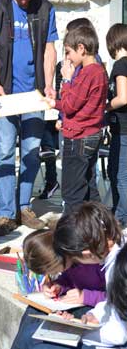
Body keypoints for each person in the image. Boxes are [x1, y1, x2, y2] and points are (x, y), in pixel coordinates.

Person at [0, 0, 58, 235]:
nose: (23, 1)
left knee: (31, 152)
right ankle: (5, 214)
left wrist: (49, 85)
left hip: (34, 95)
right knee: (3, 153)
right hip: (5, 95)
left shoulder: (46, 8)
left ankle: (24, 207)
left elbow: (49, 50)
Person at [14, 201, 127, 349]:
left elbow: (118, 333)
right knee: (31, 333)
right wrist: (94, 315)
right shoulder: (110, 255)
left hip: (114, 337)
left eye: (74, 257)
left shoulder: (118, 267)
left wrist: (76, 332)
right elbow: (113, 304)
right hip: (105, 324)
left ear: (86, 253)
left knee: (40, 348)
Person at [11, 228, 107, 349]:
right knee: (33, 312)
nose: (57, 272)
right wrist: (59, 286)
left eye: (54, 269)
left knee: (35, 337)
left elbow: (118, 299)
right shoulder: (71, 260)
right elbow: (70, 278)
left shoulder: (96, 261)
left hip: (96, 309)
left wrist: (86, 296)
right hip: (78, 303)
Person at [48, 26, 107, 214]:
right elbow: (75, 102)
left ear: (81, 48)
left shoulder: (88, 73)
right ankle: (100, 227)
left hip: (79, 137)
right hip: (91, 134)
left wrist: (66, 80)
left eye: (68, 52)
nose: (67, 58)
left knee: (72, 192)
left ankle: (72, 236)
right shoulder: (98, 71)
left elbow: (70, 105)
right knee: (88, 187)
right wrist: (53, 102)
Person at [106, 23, 127, 227]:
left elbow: (122, 98)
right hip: (121, 130)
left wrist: (105, 106)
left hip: (123, 130)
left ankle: (120, 217)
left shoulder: (121, 65)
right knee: (115, 171)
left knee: (120, 175)